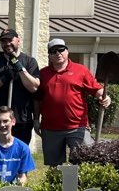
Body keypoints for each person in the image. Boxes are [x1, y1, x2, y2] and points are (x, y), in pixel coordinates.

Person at [35, 38, 110, 166]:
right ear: (49, 55)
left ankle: (81, 186)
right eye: (53, 51)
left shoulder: (81, 70)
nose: (58, 53)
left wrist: (105, 97)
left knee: (84, 161)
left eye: (61, 49)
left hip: (77, 127)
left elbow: (96, 89)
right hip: (51, 128)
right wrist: (36, 120)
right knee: (54, 167)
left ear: (67, 51)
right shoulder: (43, 74)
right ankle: (56, 185)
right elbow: (37, 100)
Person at [0, 28, 41, 145]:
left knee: (18, 157)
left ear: (18, 40)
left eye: (10, 40)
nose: (7, 43)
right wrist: (4, 78)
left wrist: (20, 68)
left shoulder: (29, 62)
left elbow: (33, 87)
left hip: (21, 121)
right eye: (4, 41)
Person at [0, 106, 36, 184]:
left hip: (13, 190)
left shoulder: (23, 148)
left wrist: (11, 190)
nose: (2, 125)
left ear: (13, 122)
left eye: (5, 121)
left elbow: (22, 177)